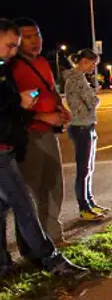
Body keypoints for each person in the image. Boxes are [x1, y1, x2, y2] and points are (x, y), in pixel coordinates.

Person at [0, 19, 86, 277]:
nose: (13, 50)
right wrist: (24, 106)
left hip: (8, 145)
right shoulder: (10, 67)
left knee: (6, 205)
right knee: (24, 203)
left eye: (36, 35)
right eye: (11, 44)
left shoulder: (8, 66)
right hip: (8, 147)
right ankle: (49, 259)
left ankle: (4, 265)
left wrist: (53, 109)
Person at [9, 18, 70, 249]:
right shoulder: (12, 68)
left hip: (48, 134)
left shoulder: (43, 62)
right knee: (30, 193)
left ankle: (53, 236)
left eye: (37, 35)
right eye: (28, 37)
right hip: (28, 137)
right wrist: (43, 116)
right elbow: (11, 107)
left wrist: (61, 109)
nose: (35, 41)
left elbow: (50, 89)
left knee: (53, 185)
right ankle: (32, 246)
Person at [64, 49, 107, 221]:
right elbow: (92, 101)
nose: (93, 68)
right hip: (81, 126)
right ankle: (84, 207)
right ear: (83, 61)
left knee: (88, 168)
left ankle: (90, 202)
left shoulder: (78, 78)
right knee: (83, 169)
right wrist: (95, 98)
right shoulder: (77, 79)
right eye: (92, 64)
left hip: (85, 125)